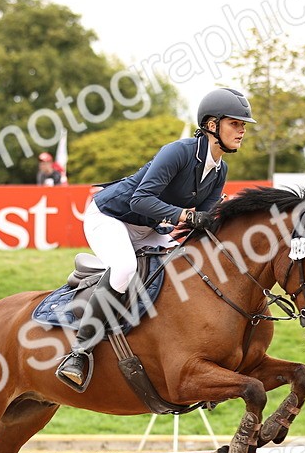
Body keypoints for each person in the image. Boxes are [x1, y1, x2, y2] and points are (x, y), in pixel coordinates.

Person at [54, 87, 254, 391]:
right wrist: (186, 216)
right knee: (124, 269)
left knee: (187, 267)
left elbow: (203, 220)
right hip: (110, 216)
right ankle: (79, 352)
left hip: (148, 228)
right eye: (235, 123)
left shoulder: (219, 170)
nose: (241, 131)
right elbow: (140, 200)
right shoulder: (179, 152)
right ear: (212, 125)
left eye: (243, 126)